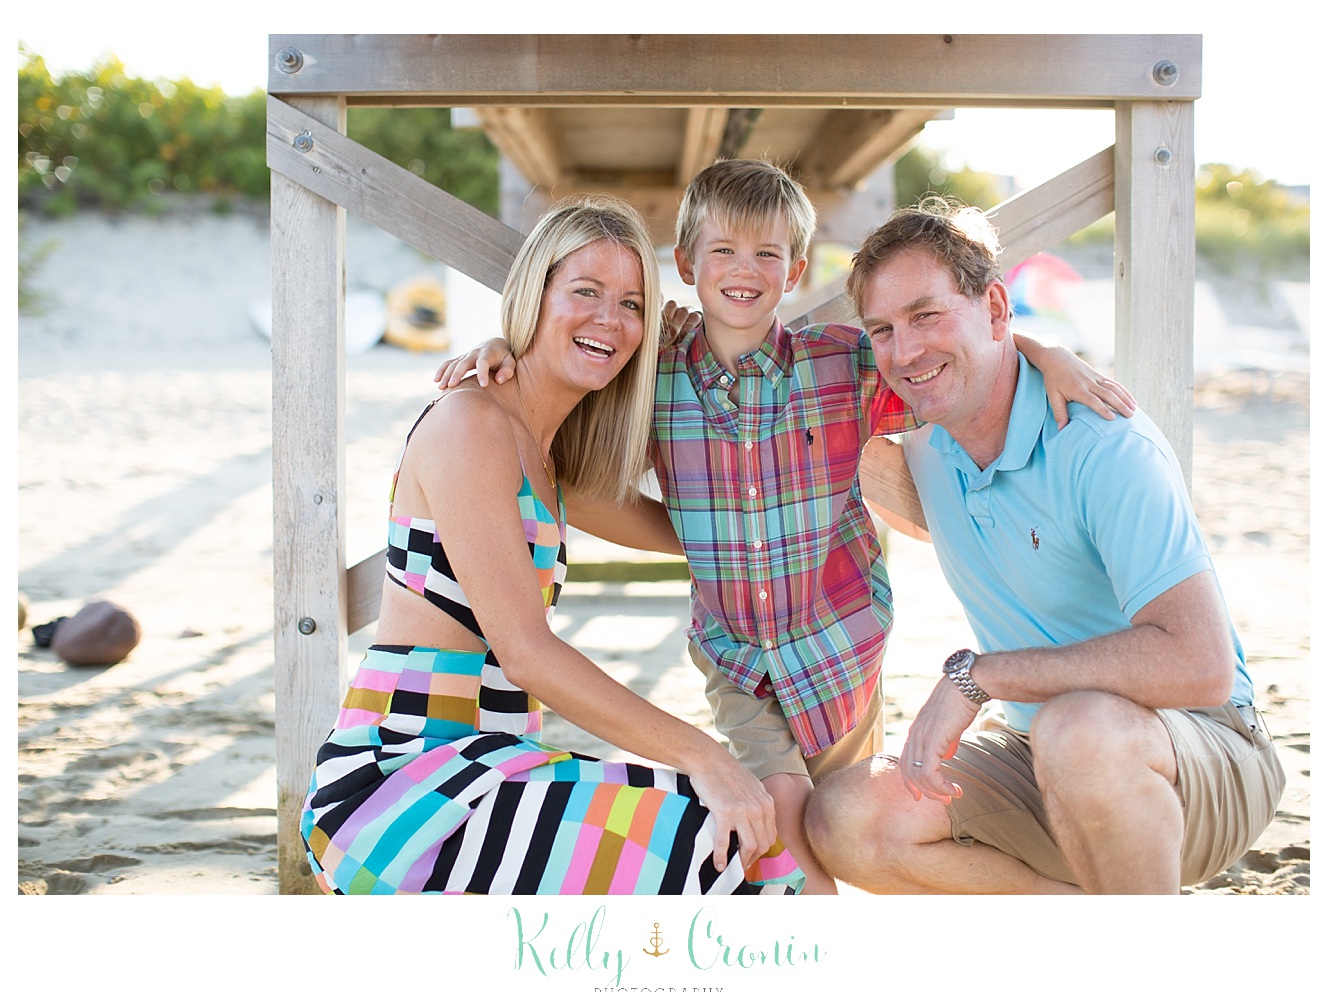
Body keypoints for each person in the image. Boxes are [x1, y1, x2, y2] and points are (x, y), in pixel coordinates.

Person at [434, 159, 1133, 893]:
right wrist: (502, 353)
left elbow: (943, 356)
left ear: (797, 267)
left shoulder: (844, 365)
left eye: (768, 253)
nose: (746, 271)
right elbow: (559, 417)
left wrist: (1041, 352)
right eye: (724, 252)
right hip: (739, 664)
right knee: (794, 859)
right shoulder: (653, 372)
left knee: (841, 831)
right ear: (685, 263)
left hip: (842, 648)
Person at [299, 195, 805, 895]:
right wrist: (706, 756)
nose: (609, 319)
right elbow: (526, 653)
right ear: (534, 295)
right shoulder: (471, 423)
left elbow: (709, 535)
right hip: (400, 782)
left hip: (497, 762)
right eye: (585, 293)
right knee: (727, 853)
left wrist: (706, 353)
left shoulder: (553, 459)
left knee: (759, 846)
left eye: (631, 305)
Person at [804, 197, 1286, 894]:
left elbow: (1203, 664)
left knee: (1078, 730)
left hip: (1197, 749)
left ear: (998, 310)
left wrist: (985, 675)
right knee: (847, 815)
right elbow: (781, 379)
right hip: (1038, 754)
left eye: (926, 315)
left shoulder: (1101, 442)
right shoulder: (920, 434)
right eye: (882, 329)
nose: (904, 351)